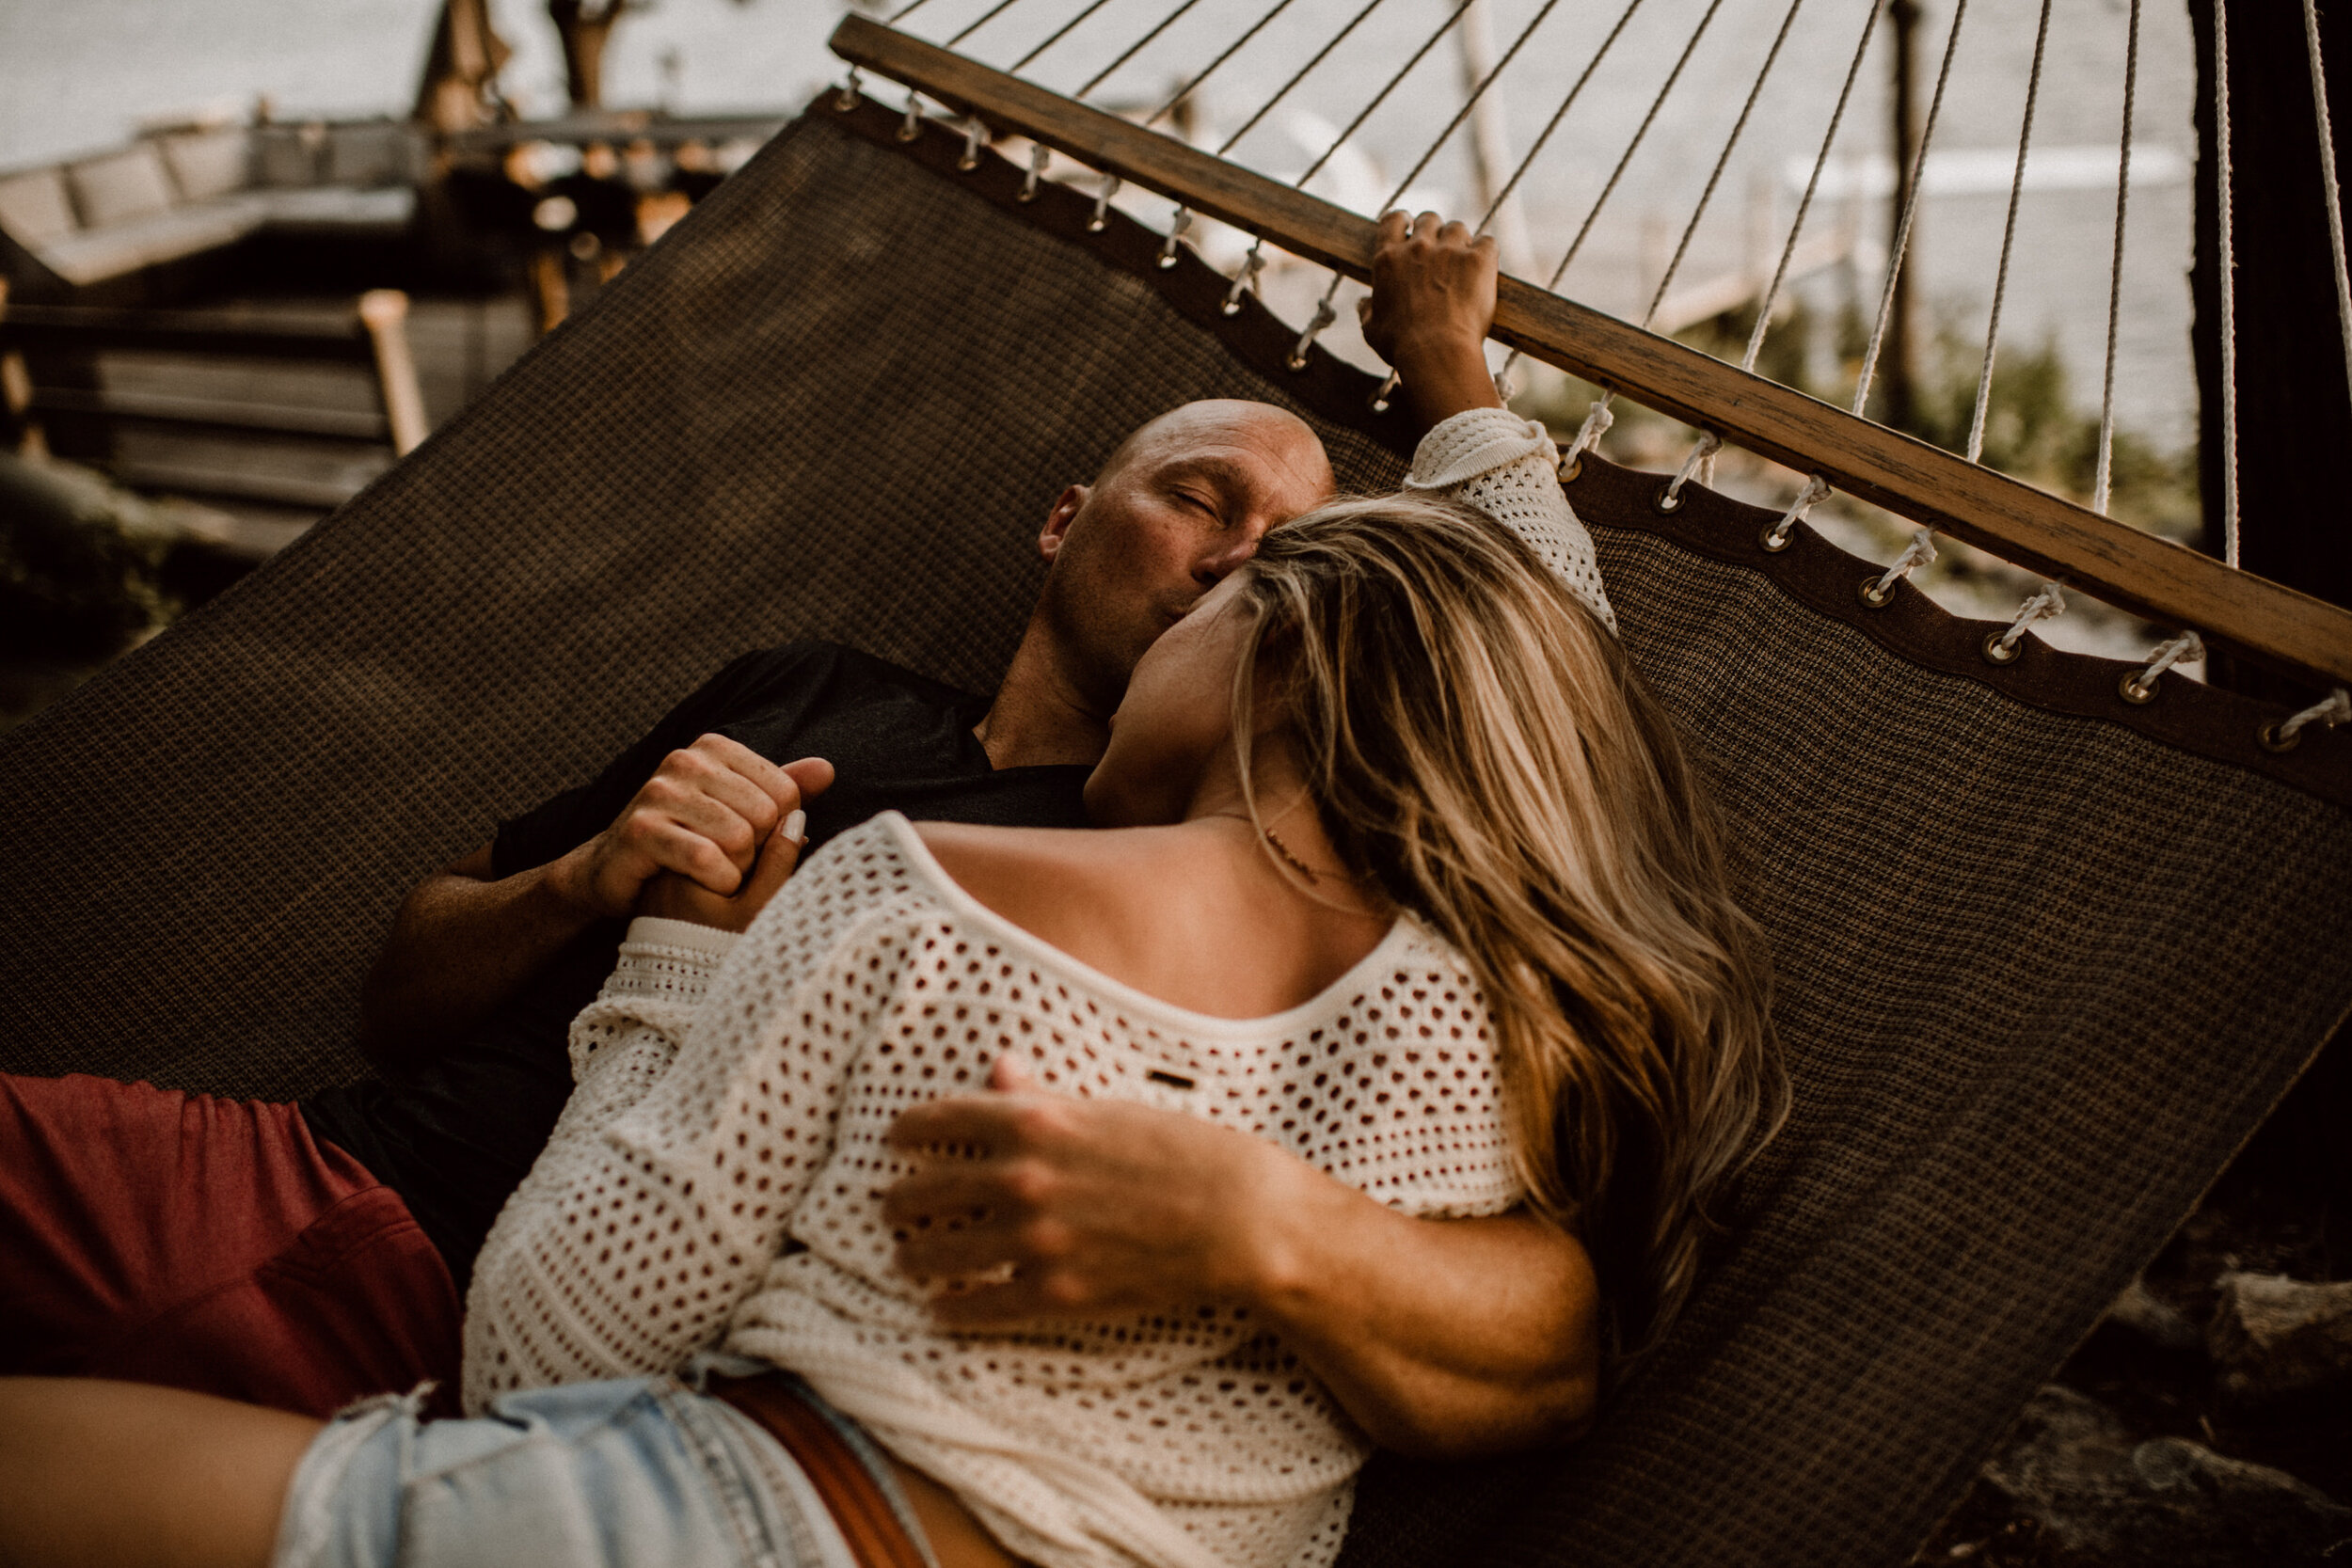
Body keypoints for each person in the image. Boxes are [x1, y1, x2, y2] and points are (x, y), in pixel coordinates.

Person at [0, 215, 1781, 1568]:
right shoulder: (1476, 968)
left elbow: (552, 1347)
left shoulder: (939, 891)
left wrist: (682, 969)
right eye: (1199, 503)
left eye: (1277, 559)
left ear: (1301, 658)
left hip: (624, 1416)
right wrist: (595, 883)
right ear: (1067, 519)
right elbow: (402, 978)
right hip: (341, 1173)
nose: (1234, 557)